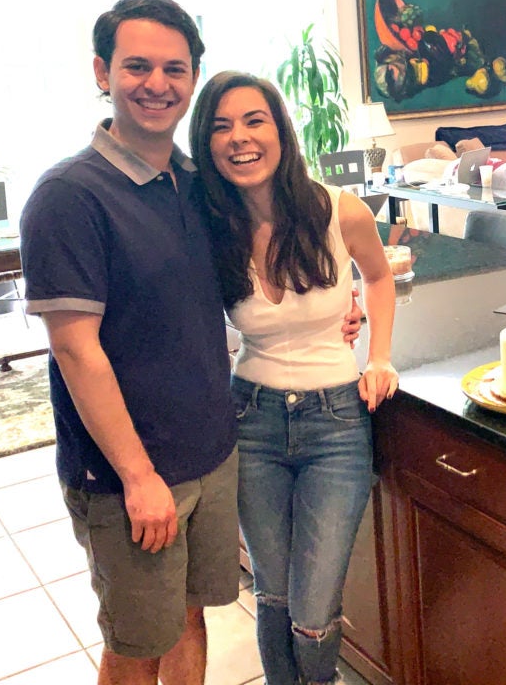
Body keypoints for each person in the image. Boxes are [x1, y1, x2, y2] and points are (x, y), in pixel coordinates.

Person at [18, 0, 360, 685]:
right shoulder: (69, 195)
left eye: (174, 68)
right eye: (136, 65)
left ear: (192, 79)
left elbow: (267, 255)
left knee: (189, 619)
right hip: (130, 476)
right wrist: (138, 476)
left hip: (215, 449)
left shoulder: (199, 188)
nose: (156, 83)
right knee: (137, 643)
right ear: (101, 71)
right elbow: (77, 350)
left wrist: (339, 307)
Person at [188, 71, 398, 685]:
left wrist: (379, 355)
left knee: (312, 609)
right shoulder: (210, 229)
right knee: (273, 596)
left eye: (255, 120)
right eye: (222, 126)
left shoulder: (339, 210)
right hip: (250, 419)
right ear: (207, 145)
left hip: (336, 424)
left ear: (281, 130)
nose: (240, 138)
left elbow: (379, 278)